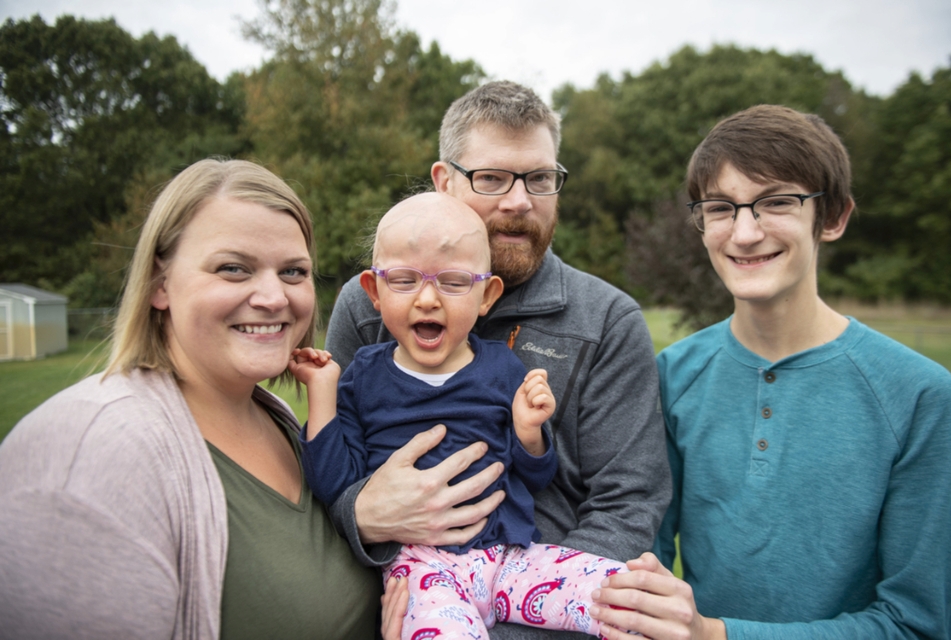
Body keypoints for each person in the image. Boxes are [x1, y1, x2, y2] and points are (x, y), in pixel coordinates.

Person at [588, 105, 951, 639]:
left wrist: (714, 635)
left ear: (832, 217)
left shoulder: (919, 395)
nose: (743, 233)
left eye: (776, 202)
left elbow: (918, 624)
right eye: (720, 208)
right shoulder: (672, 375)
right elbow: (636, 559)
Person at [324, 81, 671, 639]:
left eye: (540, 178)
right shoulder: (368, 310)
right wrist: (361, 515)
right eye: (491, 178)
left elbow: (627, 504)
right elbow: (326, 472)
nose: (519, 200)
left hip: (545, 609)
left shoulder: (606, 321)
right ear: (444, 181)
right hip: (410, 603)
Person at [0, 159, 388, 639]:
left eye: (292, 271)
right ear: (160, 284)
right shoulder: (90, 451)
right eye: (233, 268)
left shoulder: (279, 420)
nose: (273, 296)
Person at [290, 192, 629, 638]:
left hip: (511, 558)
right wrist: (322, 393)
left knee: (623, 597)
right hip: (422, 573)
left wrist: (530, 435)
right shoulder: (363, 378)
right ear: (373, 290)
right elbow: (335, 483)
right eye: (405, 280)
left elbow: (535, 476)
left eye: (453, 282)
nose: (428, 299)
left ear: (486, 294)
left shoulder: (502, 368)